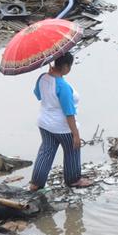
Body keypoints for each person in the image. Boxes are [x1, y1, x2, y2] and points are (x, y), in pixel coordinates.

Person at [29, 53, 93, 190]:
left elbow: (38, 95)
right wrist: (75, 134)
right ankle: (73, 180)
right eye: (69, 66)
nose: (69, 69)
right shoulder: (62, 86)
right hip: (62, 126)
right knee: (72, 150)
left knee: (46, 151)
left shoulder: (42, 78)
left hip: (45, 123)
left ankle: (36, 183)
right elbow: (69, 113)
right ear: (65, 66)